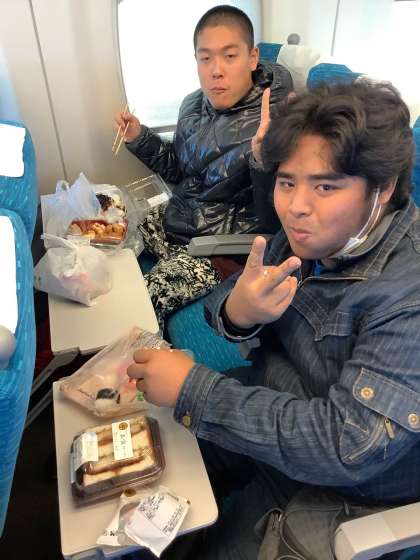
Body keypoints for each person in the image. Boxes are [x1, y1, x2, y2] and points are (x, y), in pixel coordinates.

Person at [127, 79, 420, 559]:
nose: (295, 207)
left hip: (344, 484)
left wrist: (192, 389)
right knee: (144, 472)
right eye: (287, 182)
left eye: (325, 186)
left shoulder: (408, 297)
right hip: (270, 397)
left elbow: (345, 445)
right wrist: (238, 314)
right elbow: (230, 304)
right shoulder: (317, 234)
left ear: (382, 188)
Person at [115, 5, 293, 328]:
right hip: (182, 223)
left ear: (252, 58)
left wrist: (262, 162)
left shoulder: (276, 120)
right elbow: (181, 170)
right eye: (205, 58)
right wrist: (139, 138)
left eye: (230, 56)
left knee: (136, 306)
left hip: (222, 251)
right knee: (112, 235)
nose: (216, 70)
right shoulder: (193, 104)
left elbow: (278, 221)